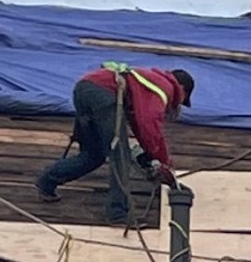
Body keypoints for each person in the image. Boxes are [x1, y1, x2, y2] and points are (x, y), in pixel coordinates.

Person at [36, 65, 196, 224]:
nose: (179, 105)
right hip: (103, 96)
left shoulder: (147, 79)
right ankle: (117, 213)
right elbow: (149, 124)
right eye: (183, 100)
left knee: (93, 155)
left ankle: (47, 181)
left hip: (84, 89)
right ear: (182, 88)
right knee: (121, 155)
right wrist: (162, 159)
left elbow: (138, 123)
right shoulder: (165, 87)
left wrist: (154, 156)